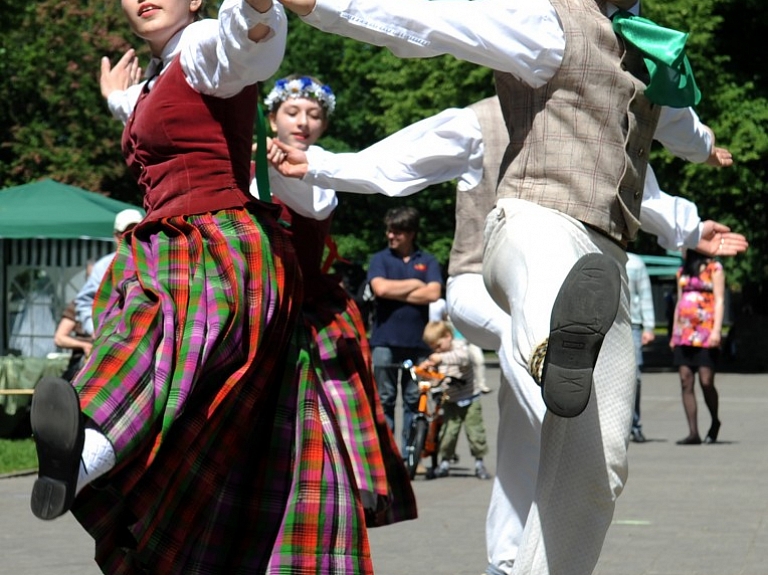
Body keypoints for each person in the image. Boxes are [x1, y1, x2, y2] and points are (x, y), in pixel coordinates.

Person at [269, 90, 747, 574]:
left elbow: (634, 188)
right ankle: (549, 365)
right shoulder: (480, 120)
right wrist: (318, 165)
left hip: (547, 289)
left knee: (524, 424)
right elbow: (402, 158)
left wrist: (690, 227)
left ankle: (508, 556)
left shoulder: (584, 117)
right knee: (530, 361)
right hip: (476, 283)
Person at [28, 1, 392, 573]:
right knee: (217, 454)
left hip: (216, 244)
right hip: (172, 246)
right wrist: (114, 100)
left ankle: (81, 454)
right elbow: (149, 107)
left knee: (153, 336)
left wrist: (256, 12)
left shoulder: (201, 46)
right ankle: (86, 458)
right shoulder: (158, 81)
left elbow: (238, 48)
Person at [255, 73, 417, 525]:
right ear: (270, 118)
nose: (304, 122)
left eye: (314, 115)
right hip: (254, 303)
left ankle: (347, 489)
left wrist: (278, 166)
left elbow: (314, 206)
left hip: (307, 305)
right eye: (293, 112)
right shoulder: (245, 158)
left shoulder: (320, 164)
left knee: (332, 396)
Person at [366, 206, 443, 451]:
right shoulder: (380, 259)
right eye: (389, 231)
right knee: (384, 400)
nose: (391, 236)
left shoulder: (427, 260)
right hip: (384, 343)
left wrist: (395, 290)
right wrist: (413, 284)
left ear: (411, 233)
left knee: (413, 401)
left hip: (418, 344)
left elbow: (433, 293)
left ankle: (410, 454)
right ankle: (386, 457)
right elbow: (380, 289)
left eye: (397, 232)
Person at [421, 320, 491, 479]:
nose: (437, 351)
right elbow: (436, 379)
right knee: (448, 433)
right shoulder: (439, 356)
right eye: (434, 349)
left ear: (447, 336)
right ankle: (444, 461)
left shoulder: (459, 347)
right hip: (451, 400)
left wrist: (439, 357)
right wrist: (428, 371)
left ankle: (479, 462)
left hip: (470, 399)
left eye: (438, 346)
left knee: (475, 433)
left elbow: (463, 358)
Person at [670, 249, 725, 445]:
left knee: (706, 380)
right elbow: (679, 302)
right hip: (684, 333)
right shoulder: (682, 271)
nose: (681, 250)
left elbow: (719, 300)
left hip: (706, 332)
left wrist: (717, 331)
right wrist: (674, 332)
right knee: (686, 380)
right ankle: (693, 432)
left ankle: (715, 421)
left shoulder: (714, 268)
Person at [73, 208, 142, 336]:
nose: (132, 236)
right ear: (116, 236)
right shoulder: (104, 267)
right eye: (126, 232)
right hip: (111, 337)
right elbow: (85, 301)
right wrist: (94, 329)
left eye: (137, 231)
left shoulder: (153, 263)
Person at [626, 252, 656, 443]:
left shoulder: (636, 263)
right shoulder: (599, 253)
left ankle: (635, 425)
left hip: (632, 325)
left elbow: (645, 295)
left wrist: (649, 327)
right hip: (606, 324)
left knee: (634, 376)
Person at [54, 263, 95, 382]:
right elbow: (59, 338)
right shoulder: (78, 305)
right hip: (81, 363)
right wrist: (84, 345)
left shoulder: (116, 305)